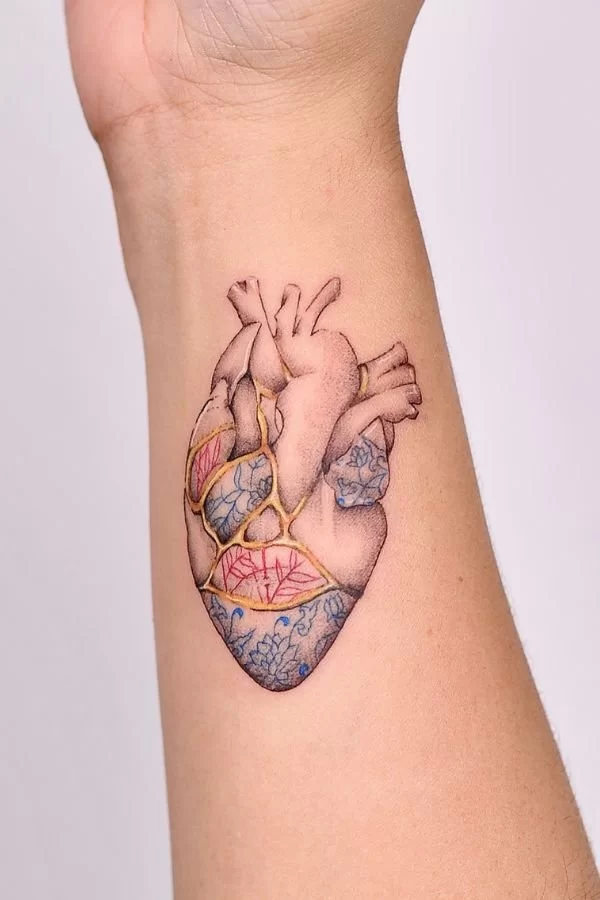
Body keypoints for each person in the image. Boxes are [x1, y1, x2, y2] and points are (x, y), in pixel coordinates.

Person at [65, 2, 599, 897]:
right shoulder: (284, 479)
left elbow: (289, 440)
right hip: (284, 559)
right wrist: (231, 113)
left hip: (283, 563)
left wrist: (237, 112)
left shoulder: (272, 470)